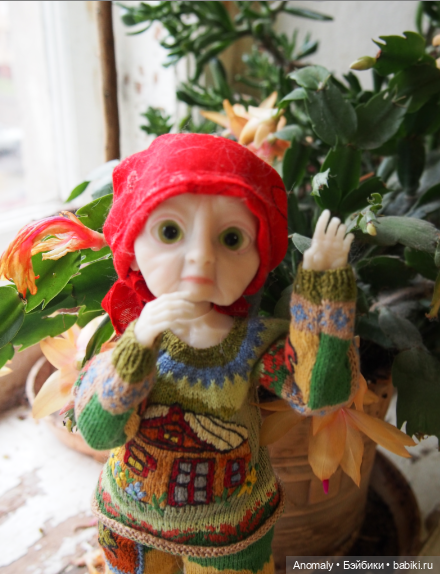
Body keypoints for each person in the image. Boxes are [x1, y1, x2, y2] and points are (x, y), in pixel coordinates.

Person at [73, 133, 357, 574]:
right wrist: (137, 344)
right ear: (132, 247)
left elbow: (319, 392)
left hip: (232, 531)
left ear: (259, 258)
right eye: (170, 232)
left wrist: (322, 287)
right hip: (130, 523)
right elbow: (98, 430)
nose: (201, 257)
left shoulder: (252, 343)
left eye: (231, 238)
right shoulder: (130, 338)